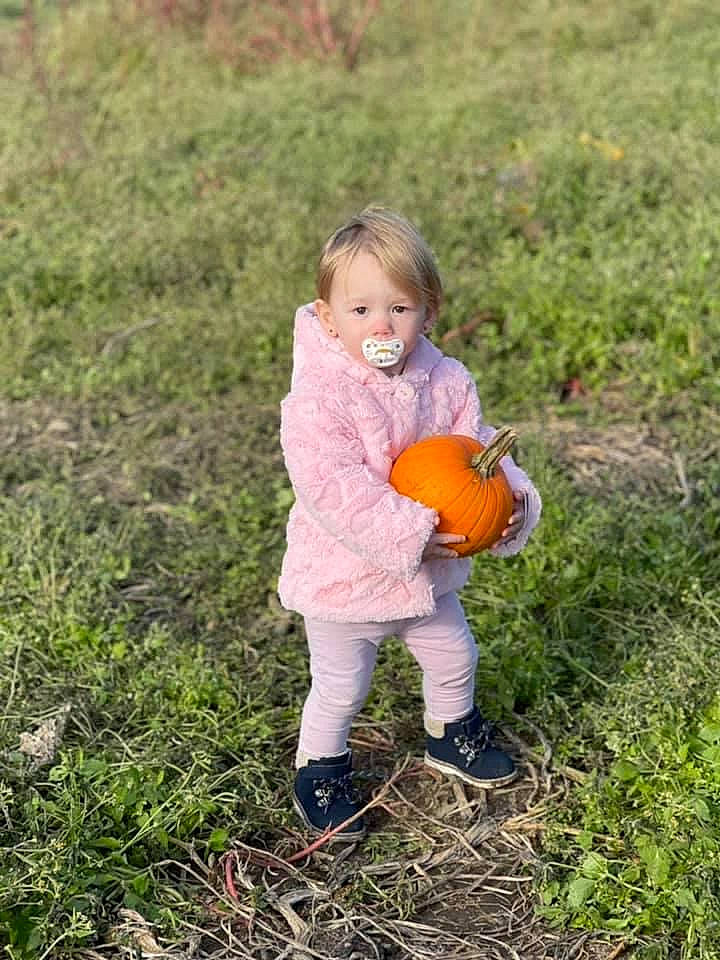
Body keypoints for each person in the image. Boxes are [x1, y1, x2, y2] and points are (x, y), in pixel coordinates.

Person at [278, 207, 541, 839]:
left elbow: (475, 451)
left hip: (430, 580)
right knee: (342, 686)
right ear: (327, 317)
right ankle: (320, 769)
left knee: (456, 655)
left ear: (430, 310)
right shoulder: (318, 400)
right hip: (345, 580)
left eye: (399, 308)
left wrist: (511, 506)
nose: (381, 324)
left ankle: (449, 734)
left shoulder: (447, 381)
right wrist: (415, 531)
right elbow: (332, 488)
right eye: (361, 309)